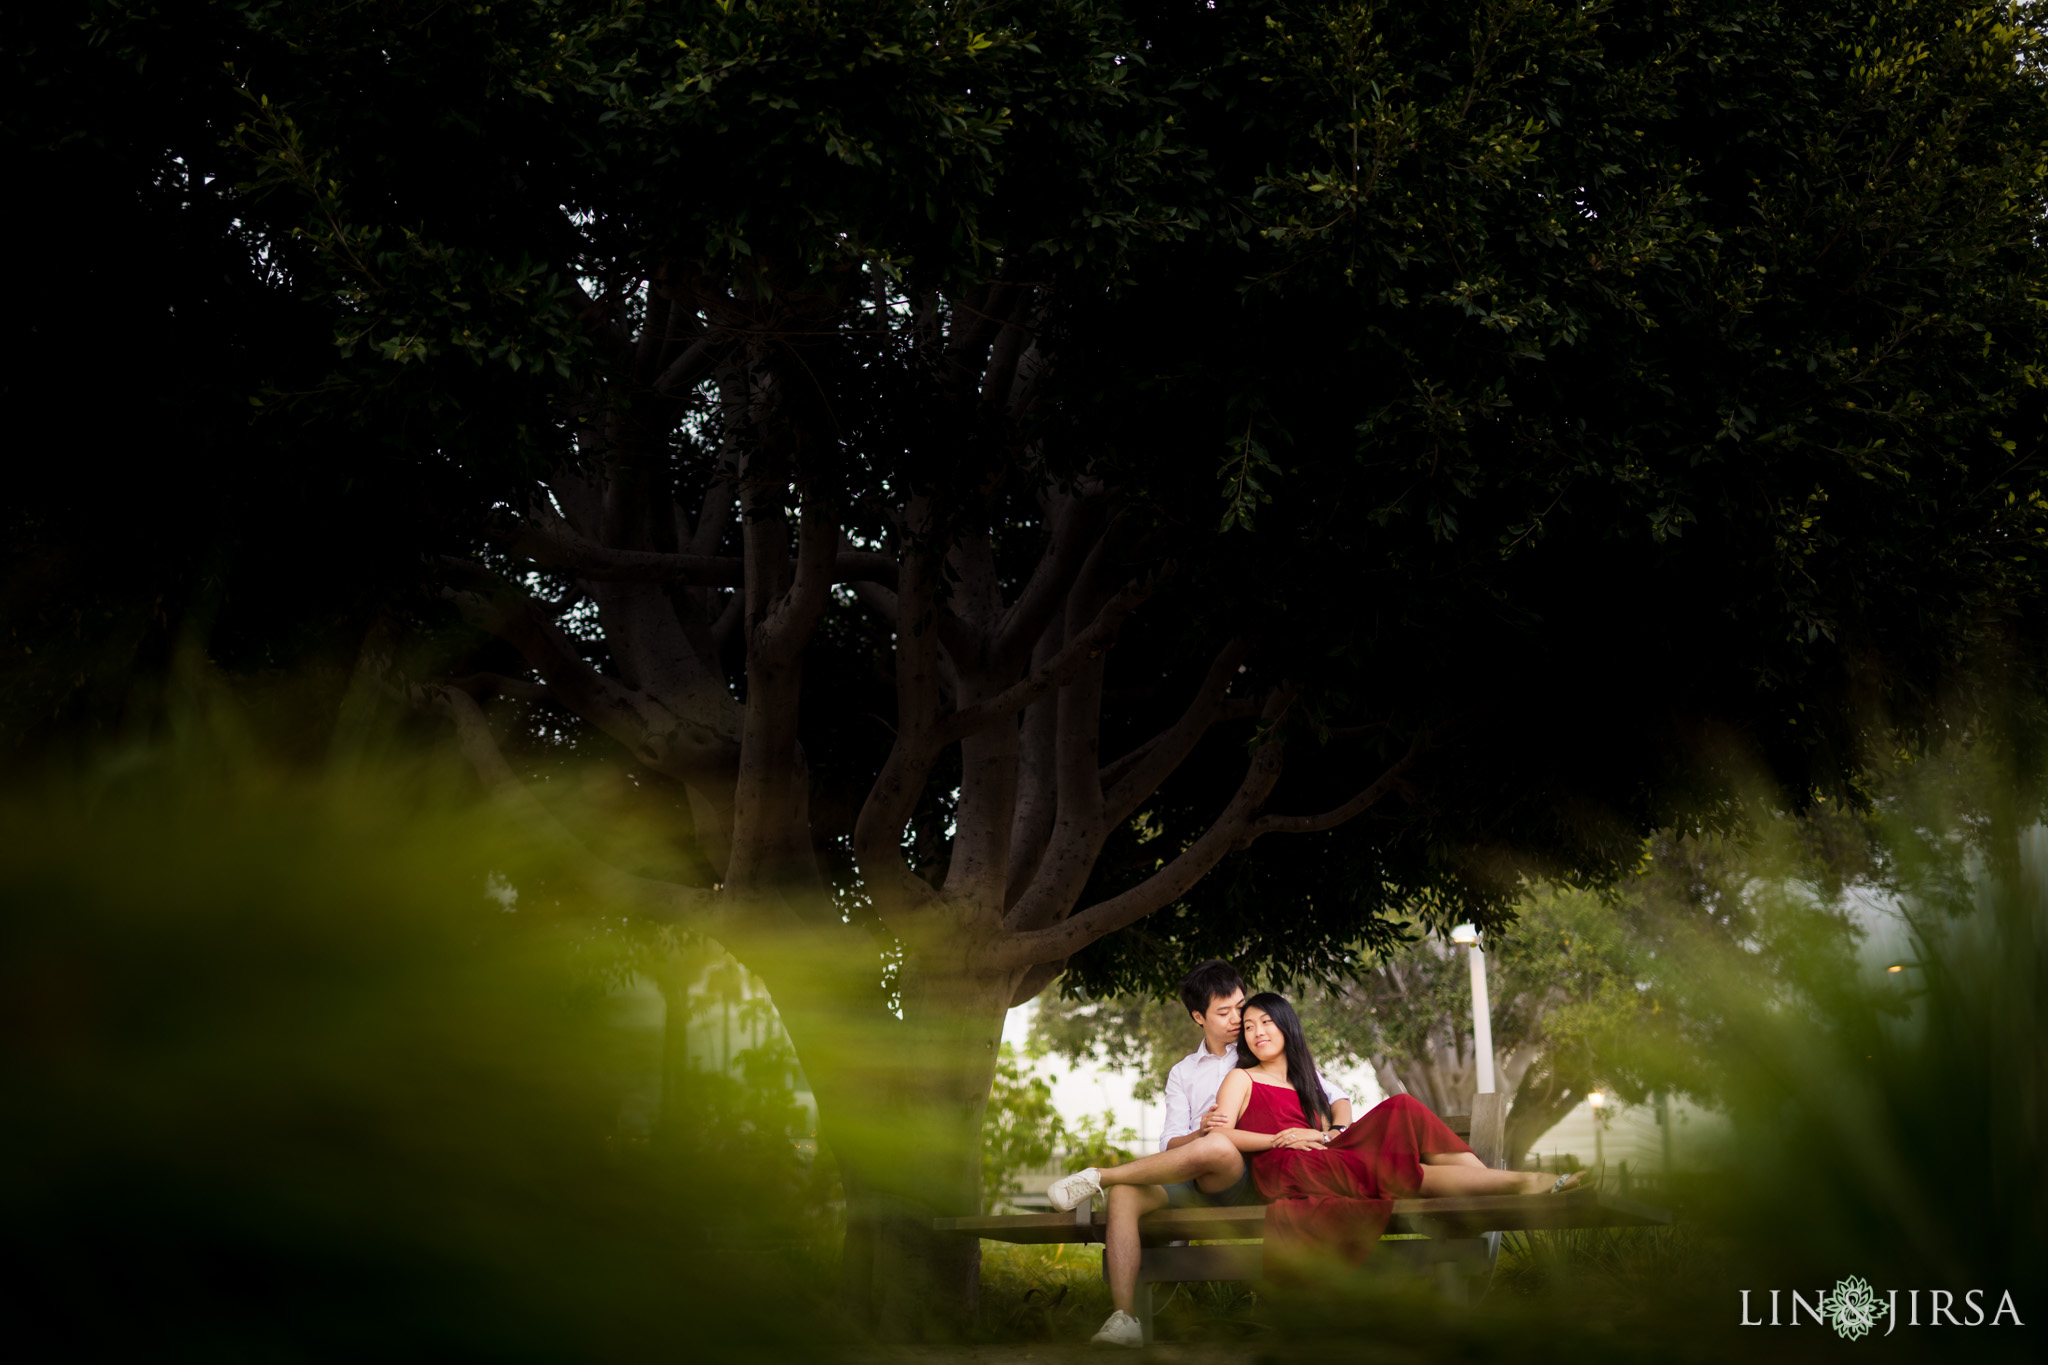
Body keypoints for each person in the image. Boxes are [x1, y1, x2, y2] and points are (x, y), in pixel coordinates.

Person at [1043, 963, 1351, 1348]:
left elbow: (1335, 1096)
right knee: (1127, 1196)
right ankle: (1125, 1318)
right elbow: (1170, 1144)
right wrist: (1199, 1131)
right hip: (1191, 1177)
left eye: (1241, 1007)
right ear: (1198, 1017)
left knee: (1221, 1144)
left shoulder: (1262, 1048)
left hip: (1249, 1176)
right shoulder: (1184, 1073)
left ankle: (1101, 1176)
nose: (1240, 1020)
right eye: (1225, 1013)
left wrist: (1330, 1134)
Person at [1212, 991, 1581, 1264]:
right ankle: (1520, 1183)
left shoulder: (1306, 1080)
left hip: (1321, 1156)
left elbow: (1332, 1124)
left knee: (1402, 1105)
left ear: (1286, 1026)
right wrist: (1282, 1139)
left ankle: (1502, 1189)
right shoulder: (1242, 1078)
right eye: (1248, 1027)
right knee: (1396, 1169)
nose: (1257, 1032)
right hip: (1285, 1170)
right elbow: (1222, 1135)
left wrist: (1322, 1134)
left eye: (1266, 1022)